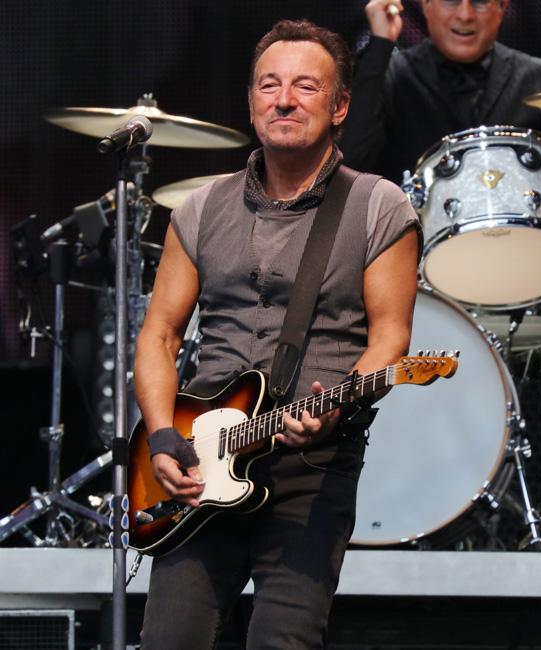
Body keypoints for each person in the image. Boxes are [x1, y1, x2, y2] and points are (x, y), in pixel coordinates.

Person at [134, 18, 420, 649]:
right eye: (269, 85)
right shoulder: (199, 209)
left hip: (311, 468)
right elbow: (159, 335)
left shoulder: (379, 207)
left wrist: (336, 405)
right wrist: (160, 436)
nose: (284, 100)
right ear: (251, 102)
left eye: (305, 87)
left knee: (283, 641)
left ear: (340, 107)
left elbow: (390, 341)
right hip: (199, 463)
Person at [340, 0, 541, 225]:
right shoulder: (391, 76)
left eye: (479, 1)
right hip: (414, 252)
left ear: (502, 7)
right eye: (451, 1)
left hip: (524, 250)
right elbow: (350, 162)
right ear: (426, 5)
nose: (465, 15)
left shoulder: (540, 77)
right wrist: (381, 44)